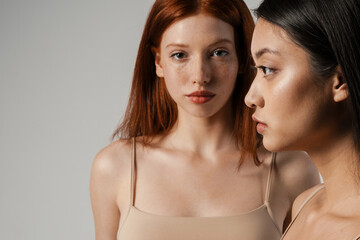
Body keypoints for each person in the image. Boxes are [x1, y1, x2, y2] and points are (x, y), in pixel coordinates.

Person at [90, 0, 319, 239]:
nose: (200, 76)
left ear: (241, 58)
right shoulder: (115, 167)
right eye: (179, 55)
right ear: (158, 62)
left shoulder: (292, 168)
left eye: (218, 53)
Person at [245, 0, 360, 239]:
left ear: (339, 81)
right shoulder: (304, 204)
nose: (250, 97)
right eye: (256, 69)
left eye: (267, 69)